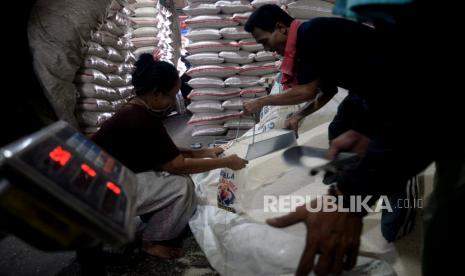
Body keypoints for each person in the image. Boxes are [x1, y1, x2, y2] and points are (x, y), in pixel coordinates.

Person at [246, 3, 465, 276]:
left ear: (279, 27)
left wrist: (347, 196)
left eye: (265, 41)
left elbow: (424, 100)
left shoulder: (311, 34)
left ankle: (398, 198)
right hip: (376, 94)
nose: (267, 49)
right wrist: (304, 116)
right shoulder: (310, 40)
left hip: (391, 95)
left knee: (446, 222)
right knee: (341, 131)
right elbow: (325, 90)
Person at [92, 54, 248, 258]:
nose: (174, 102)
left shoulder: (136, 109)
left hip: (101, 181)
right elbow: (177, 164)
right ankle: (151, 241)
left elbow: (164, 150)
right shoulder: (140, 119)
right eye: (172, 95)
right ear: (156, 94)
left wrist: (205, 152)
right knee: (181, 186)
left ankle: (148, 223)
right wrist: (225, 162)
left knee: (173, 180)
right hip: (100, 191)